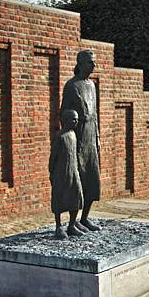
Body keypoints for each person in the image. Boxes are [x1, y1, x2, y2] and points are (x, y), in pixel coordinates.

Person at [61, 50, 102, 232]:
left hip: (91, 137)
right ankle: (72, 222)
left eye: (94, 62)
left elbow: (96, 114)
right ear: (80, 63)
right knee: (78, 181)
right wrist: (69, 138)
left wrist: (98, 137)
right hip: (78, 137)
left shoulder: (92, 85)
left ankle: (84, 218)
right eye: (90, 63)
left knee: (93, 180)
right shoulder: (72, 86)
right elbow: (63, 113)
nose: (93, 66)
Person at [50, 109, 84, 238]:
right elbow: (53, 157)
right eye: (73, 119)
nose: (76, 122)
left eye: (77, 119)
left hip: (73, 171)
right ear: (65, 120)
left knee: (77, 196)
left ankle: (71, 225)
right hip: (61, 172)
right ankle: (59, 226)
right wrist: (52, 173)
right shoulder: (60, 136)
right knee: (59, 199)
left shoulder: (73, 134)